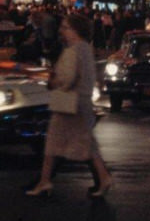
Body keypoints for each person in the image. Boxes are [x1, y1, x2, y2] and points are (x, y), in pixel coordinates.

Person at [25, 12, 113, 199]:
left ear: (75, 30)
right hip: (81, 104)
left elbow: (68, 78)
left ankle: (45, 181)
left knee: (56, 143)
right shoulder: (86, 49)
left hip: (69, 105)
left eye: (65, 28)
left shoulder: (73, 50)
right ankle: (101, 178)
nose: (62, 31)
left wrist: (54, 81)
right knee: (82, 144)